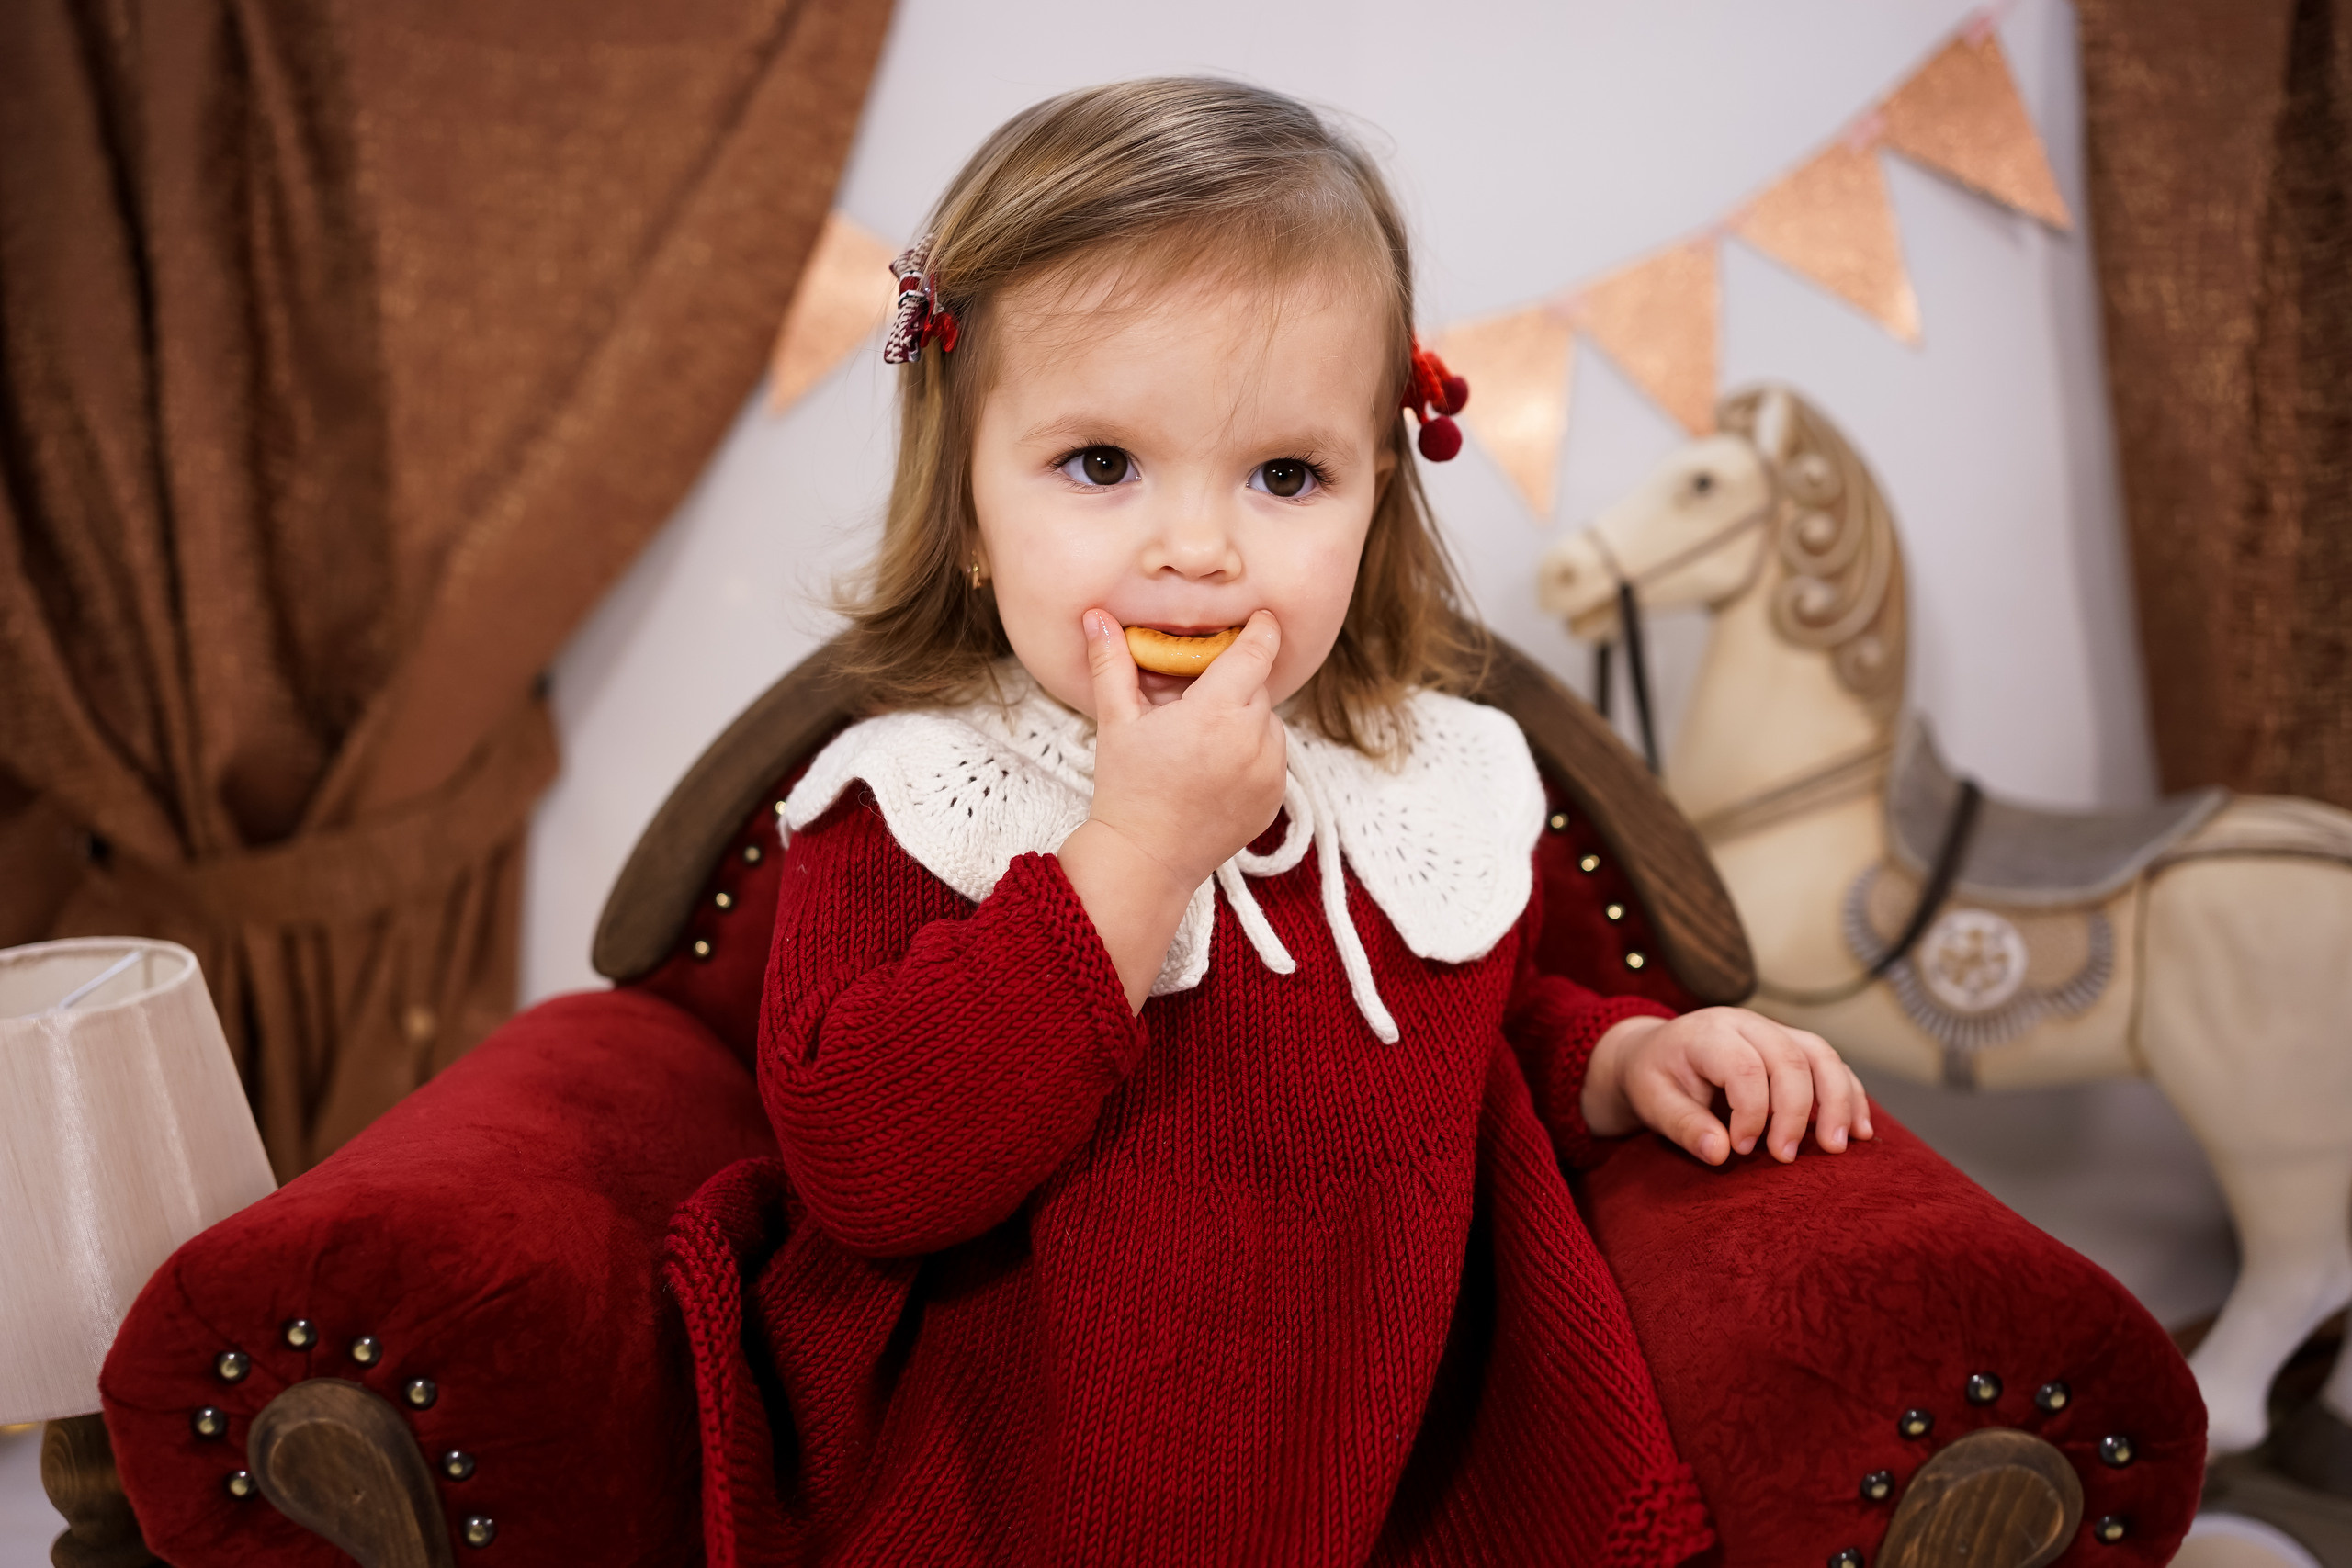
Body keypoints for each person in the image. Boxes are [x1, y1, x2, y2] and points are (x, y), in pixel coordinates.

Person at [664, 76, 1872, 1568]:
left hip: (1380, 1491)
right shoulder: (915, 792)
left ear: (1379, 498)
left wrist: (1619, 1058)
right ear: (971, 516)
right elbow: (866, 1164)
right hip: (1021, 1495)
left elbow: (1469, 1039)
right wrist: (1138, 850)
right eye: (1101, 465)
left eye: (1286, 475)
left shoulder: (1427, 766)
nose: (1198, 548)